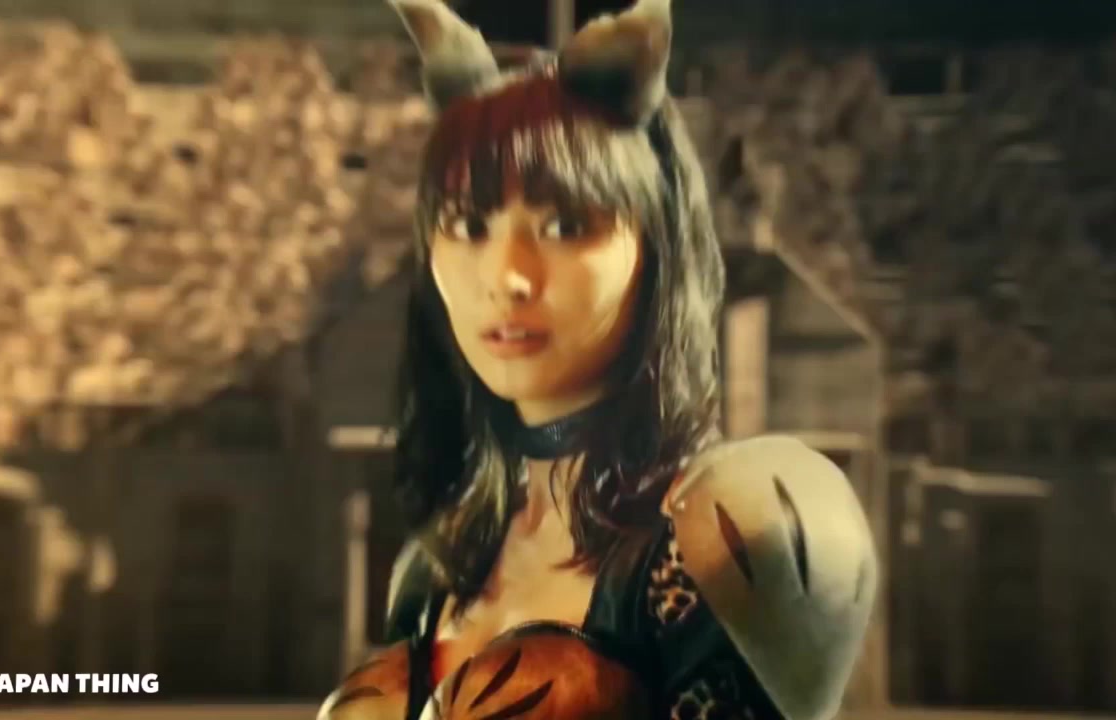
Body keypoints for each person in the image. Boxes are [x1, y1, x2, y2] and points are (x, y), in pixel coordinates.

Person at [318, 0, 878, 717]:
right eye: (468, 224)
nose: (508, 276)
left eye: (564, 224)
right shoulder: (435, 572)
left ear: (655, 245)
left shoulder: (727, 540)